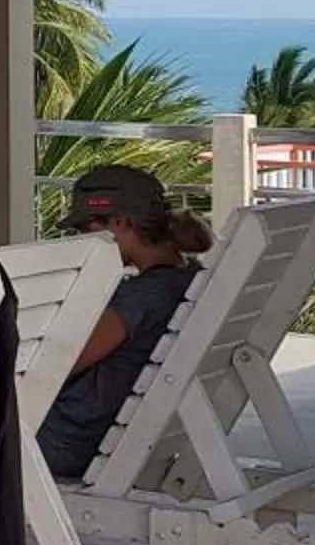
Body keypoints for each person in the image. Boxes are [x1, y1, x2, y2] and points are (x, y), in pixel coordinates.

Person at [35, 164, 214, 481]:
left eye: (84, 228)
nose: (81, 239)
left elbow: (55, 367)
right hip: (105, 434)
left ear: (119, 222)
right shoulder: (186, 278)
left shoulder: (142, 298)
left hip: (64, 442)